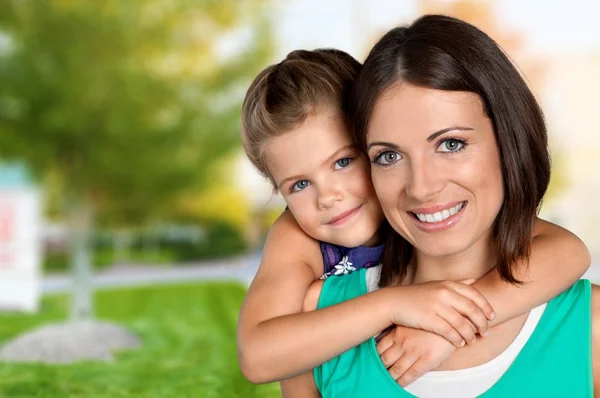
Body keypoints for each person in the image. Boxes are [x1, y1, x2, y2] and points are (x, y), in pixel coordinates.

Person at [236, 41, 591, 396]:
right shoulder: (299, 238)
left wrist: (446, 325)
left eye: (344, 162)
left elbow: (569, 252)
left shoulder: (423, 202)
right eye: (299, 184)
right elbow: (258, 355)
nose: (328, 197)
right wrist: (394, 305)